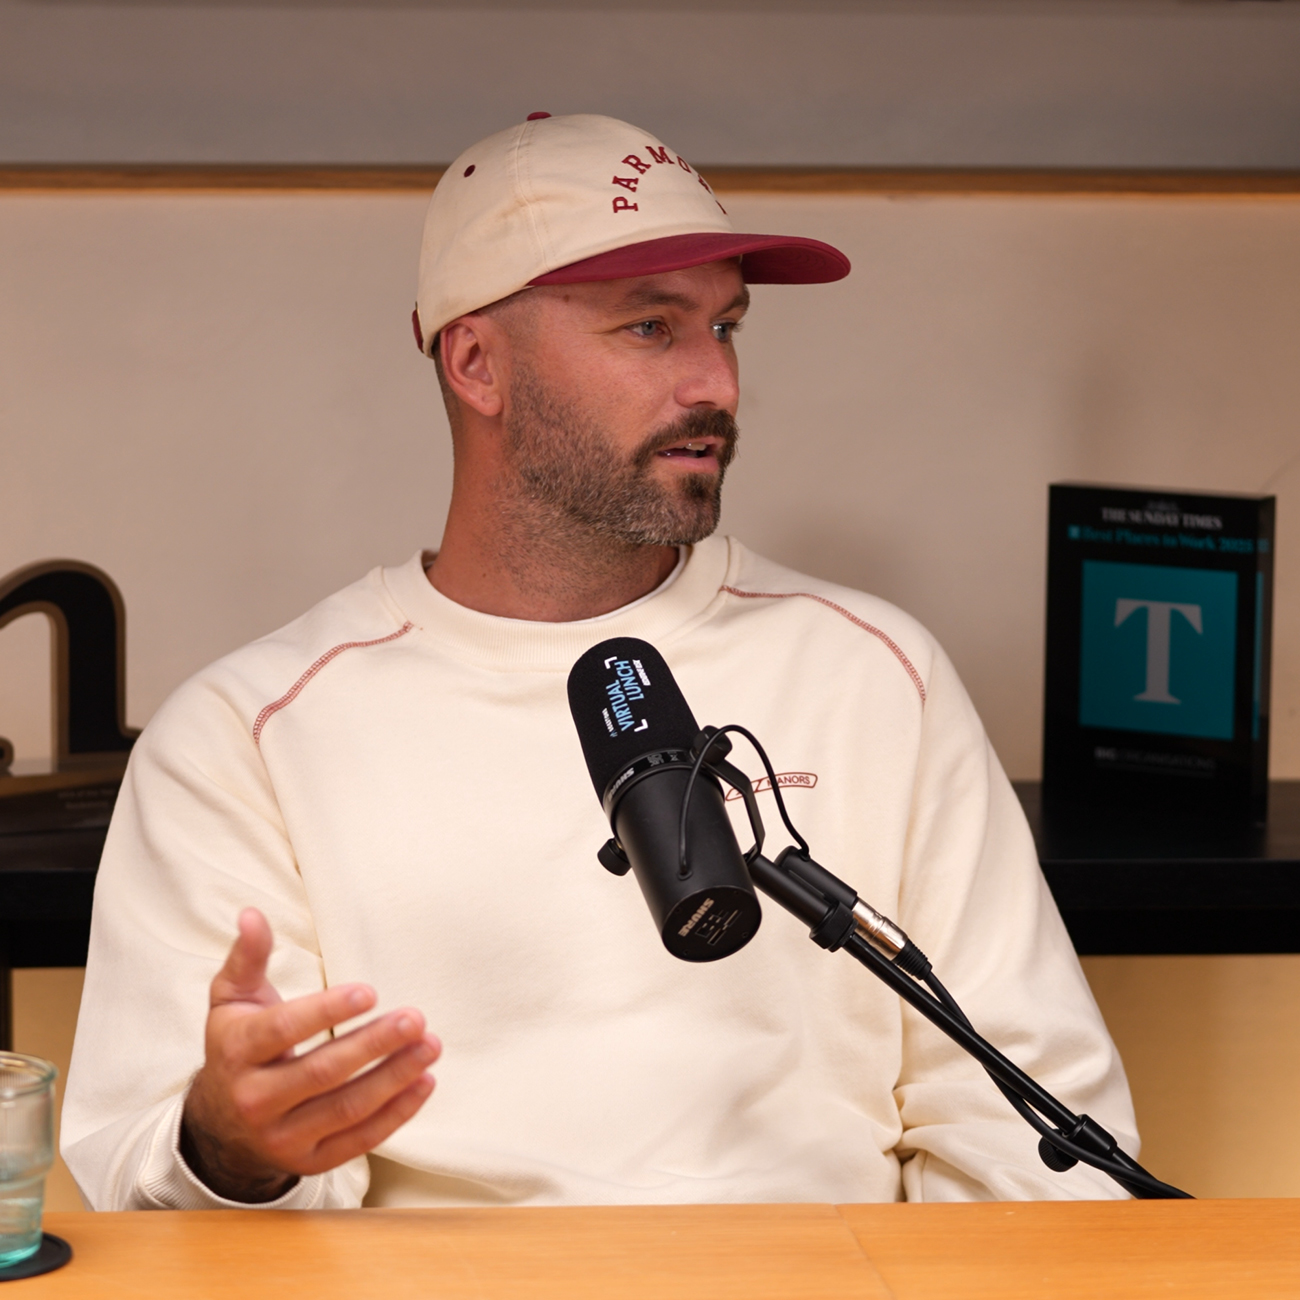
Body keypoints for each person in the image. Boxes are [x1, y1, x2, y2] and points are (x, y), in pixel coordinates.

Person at [63, 112, 1137, 1210]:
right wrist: (235, 1149)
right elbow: (153, 1181)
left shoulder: (874, 672)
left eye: (726, 326)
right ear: (477, 364)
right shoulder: (247, 735)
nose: (715, 382)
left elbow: (1030, 1135)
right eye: (649, 327)